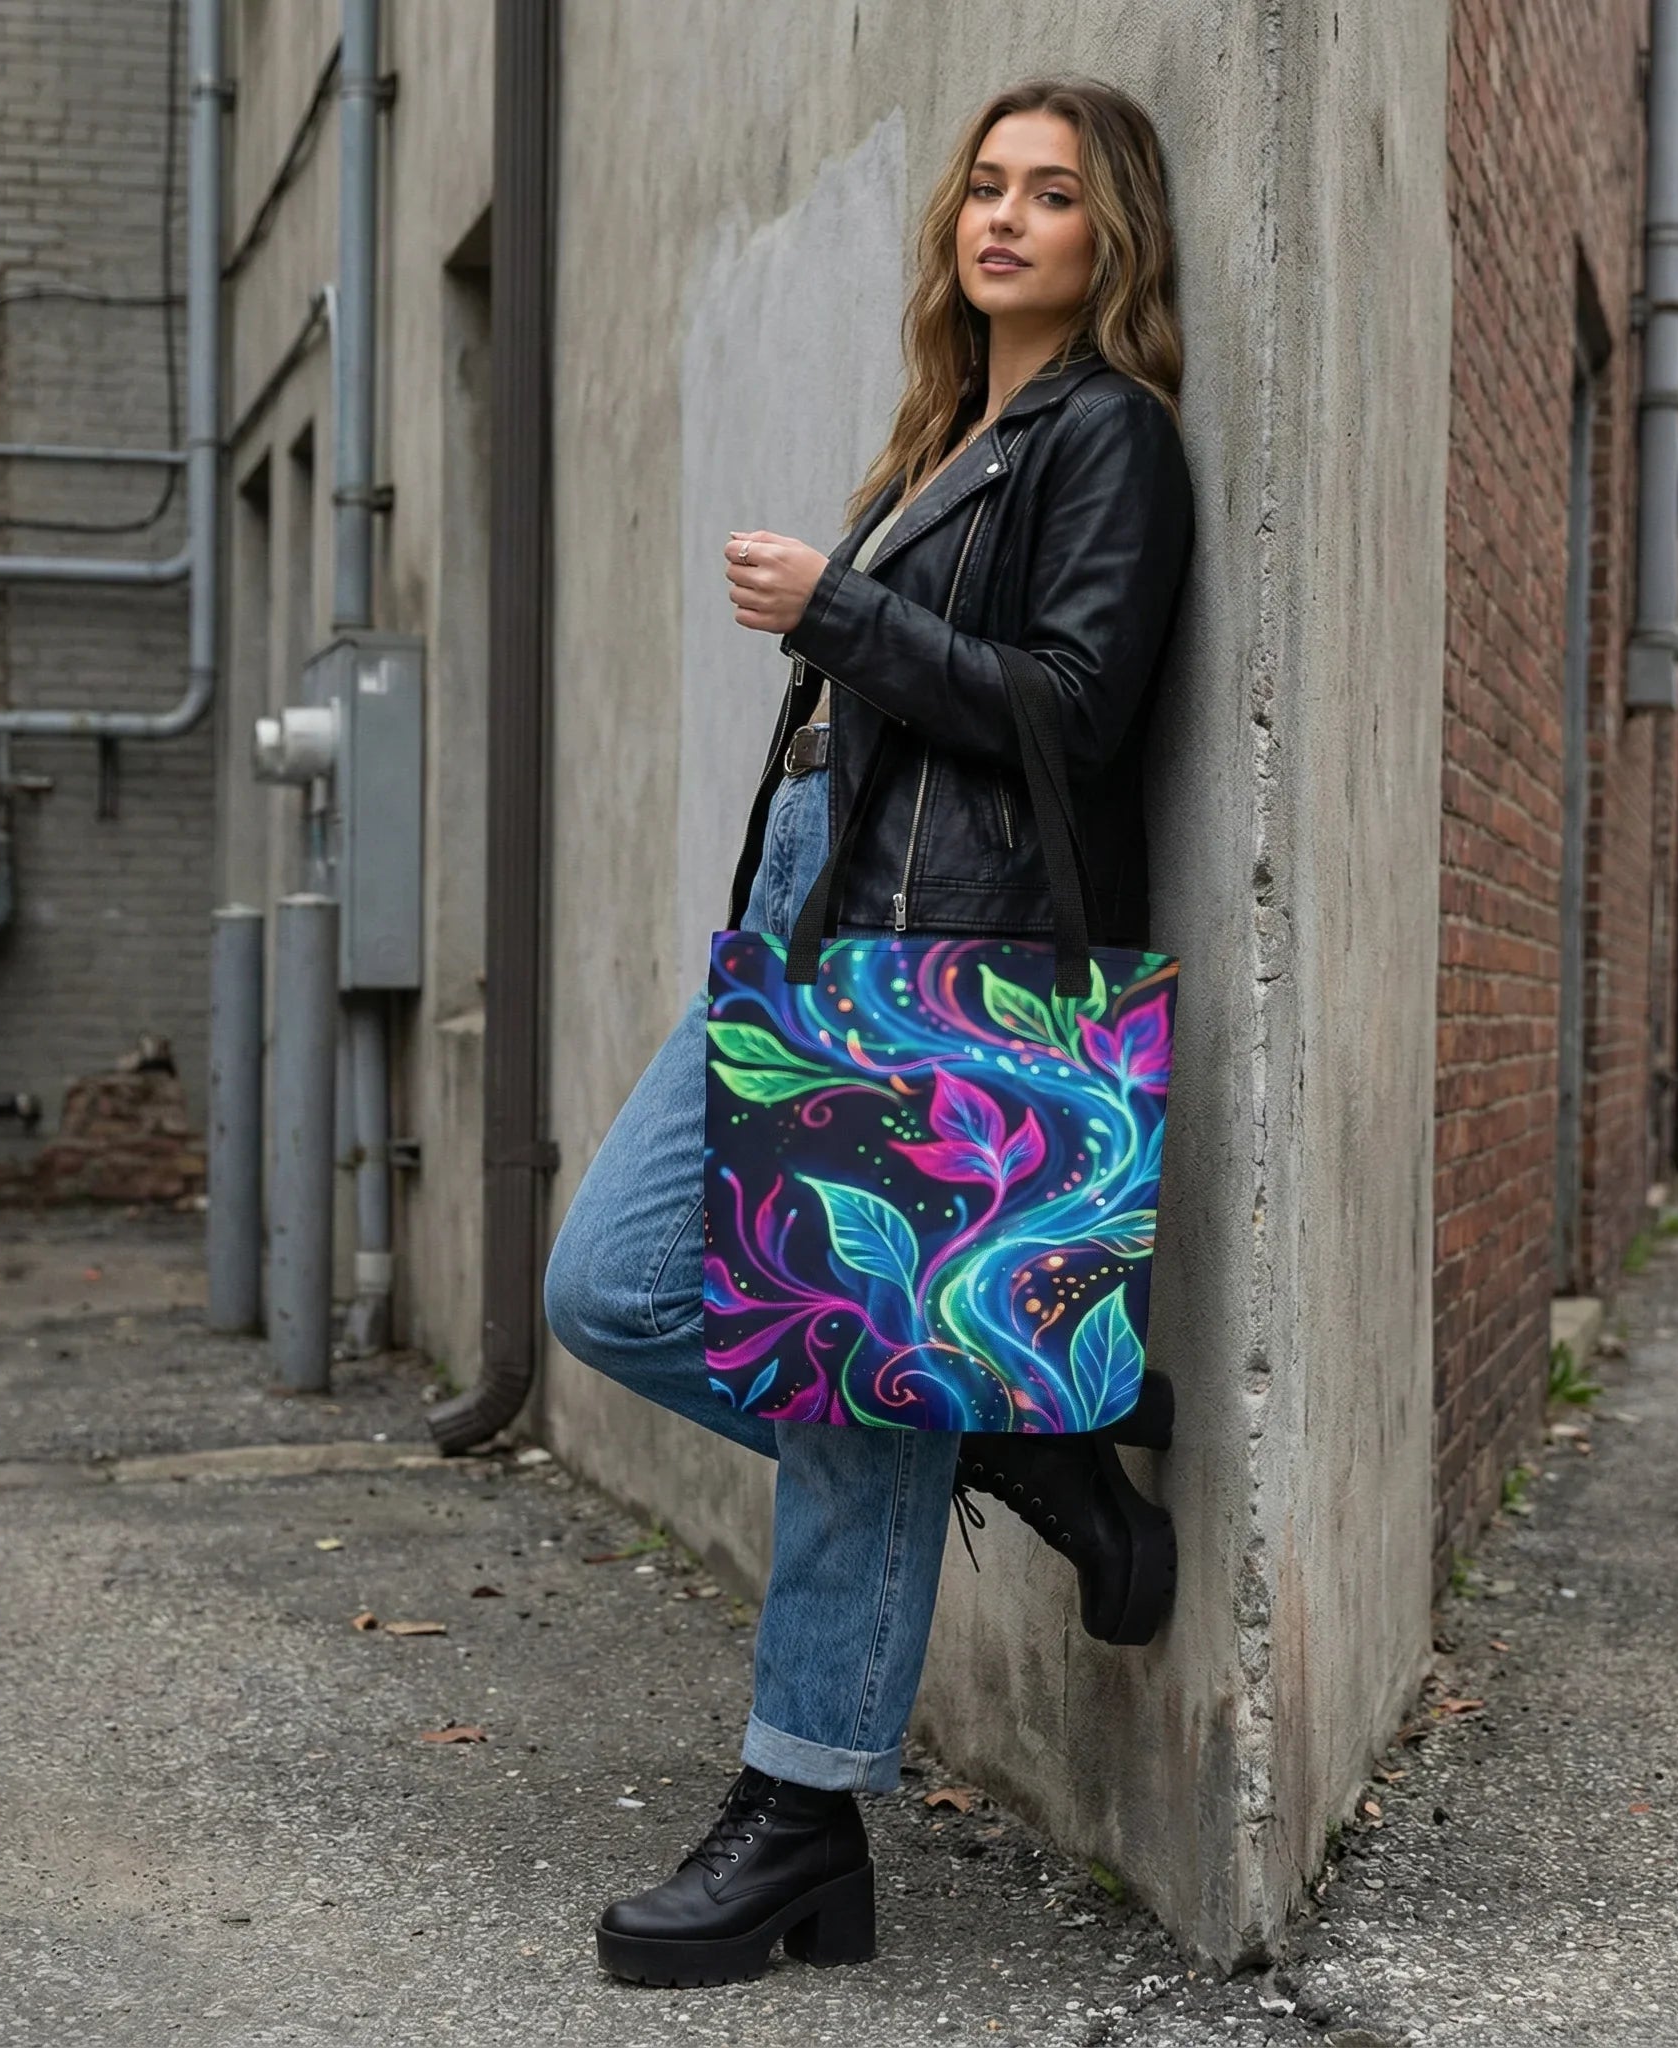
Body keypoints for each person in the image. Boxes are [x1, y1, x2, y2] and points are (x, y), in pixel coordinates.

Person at [543, 73, 1195, 1989]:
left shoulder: (1111, 438)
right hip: (814, 922)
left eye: (1052, 194)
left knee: (847, 1377)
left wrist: (841, 611)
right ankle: (1009, 1436)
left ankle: (798, 1819)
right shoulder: (952, 432)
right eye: (984, 187)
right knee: (610, 1286)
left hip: (945, 952)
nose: (1004, 219)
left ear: (1112, 236)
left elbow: (1074, 707)